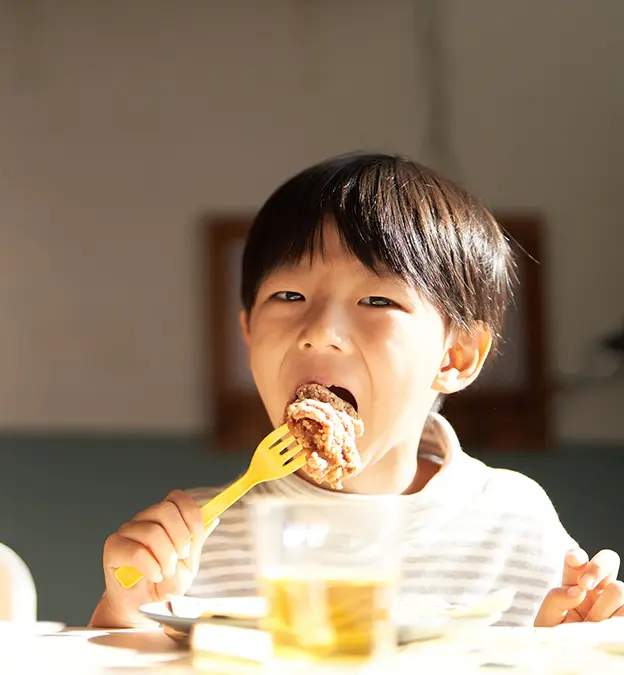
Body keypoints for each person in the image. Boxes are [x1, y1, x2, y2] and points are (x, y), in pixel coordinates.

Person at [91, 152, 622, 628]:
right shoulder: (193, 541)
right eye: (289, 295)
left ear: (456, 356)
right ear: (248, 333)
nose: (320, 331)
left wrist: (569, 643)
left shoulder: (512, 519)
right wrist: (127, 615)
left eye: (377, 301)